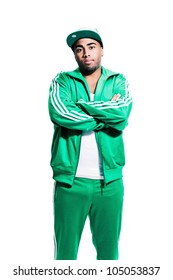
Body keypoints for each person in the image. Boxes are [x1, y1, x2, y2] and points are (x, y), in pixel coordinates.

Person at [48, 28, 132, 260]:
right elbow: (60, 112)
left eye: (92, 47)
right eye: (79, 49)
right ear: (75, 55)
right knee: (65, 256)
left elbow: (122, 113)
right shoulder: (63, 80)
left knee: (108, 255)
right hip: (70, 182)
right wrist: (104, 115)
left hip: (110, 183)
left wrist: (80, 105)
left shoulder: (118, 80)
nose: (86, 53)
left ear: (102, 50)